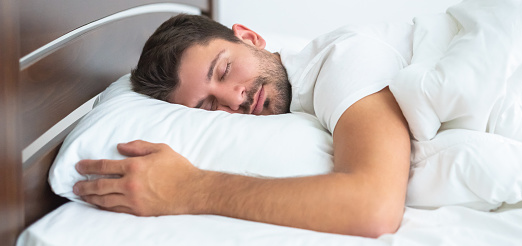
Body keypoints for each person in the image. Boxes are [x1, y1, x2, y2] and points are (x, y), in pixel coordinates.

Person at [72, 14, 413, 238]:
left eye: (223, 70)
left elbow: (374, 208)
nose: (234, 99)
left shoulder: (342, 60)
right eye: (208, 106)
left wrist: (189, 189)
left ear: (250, 37)